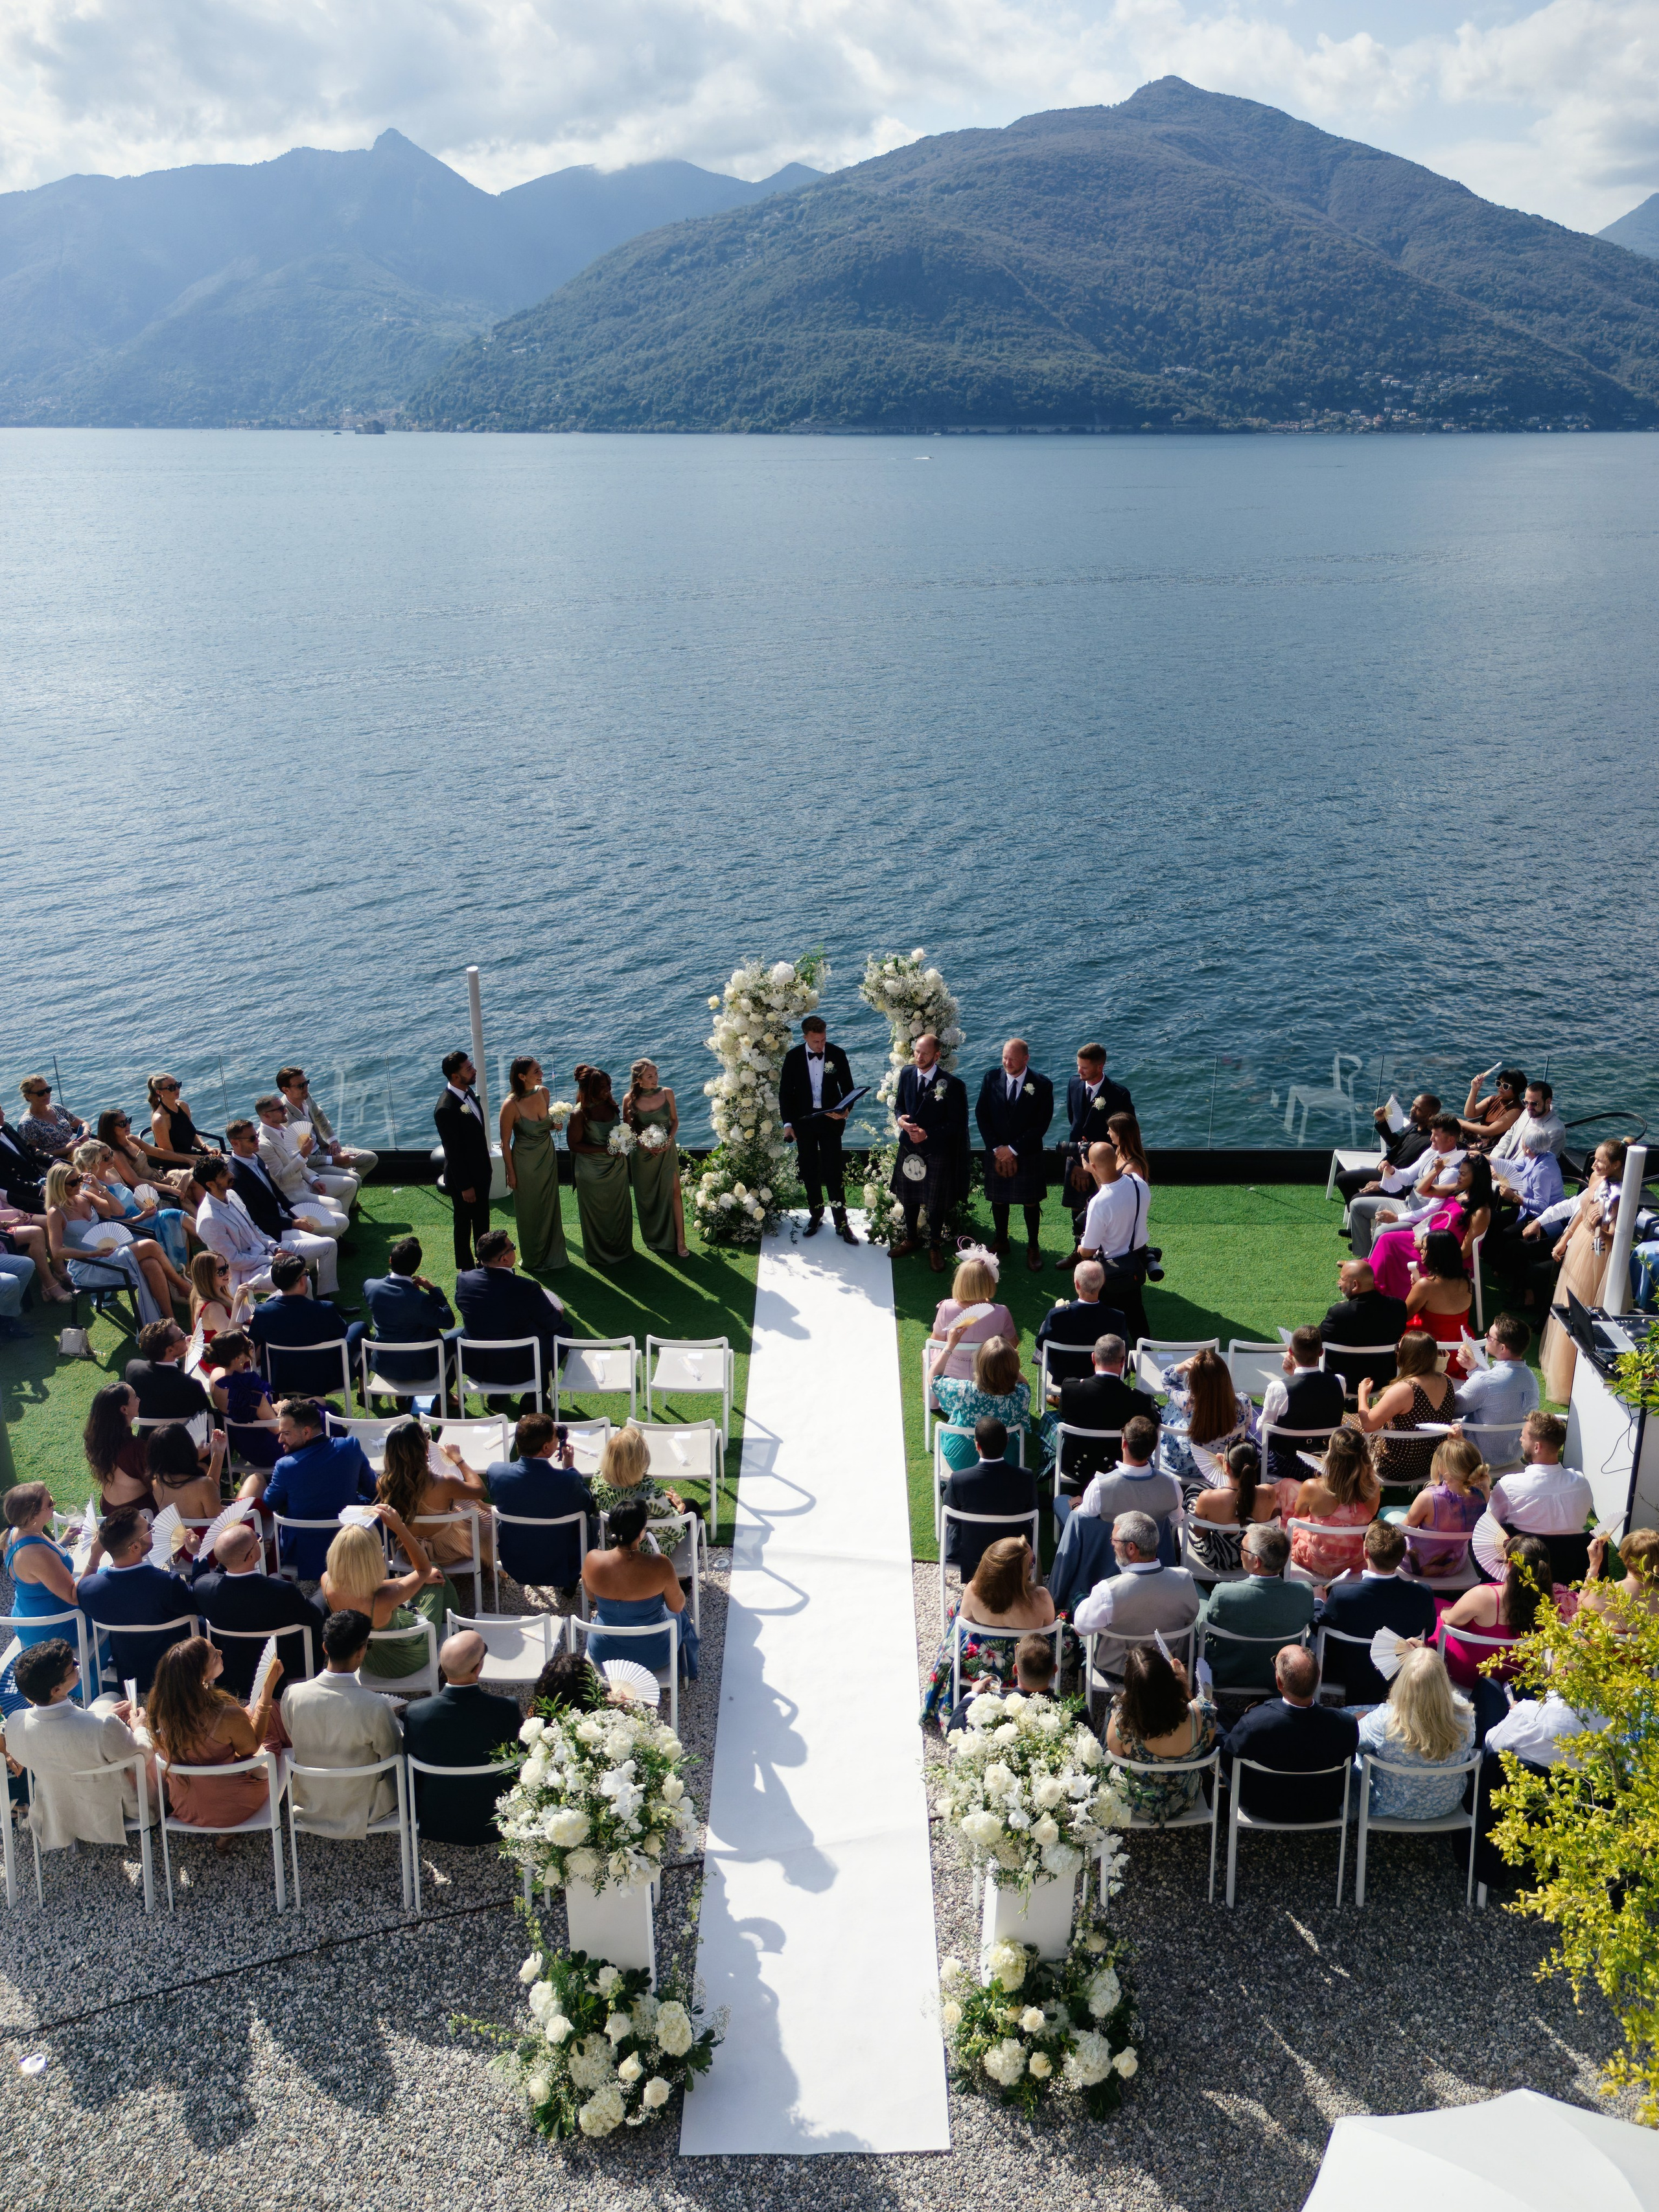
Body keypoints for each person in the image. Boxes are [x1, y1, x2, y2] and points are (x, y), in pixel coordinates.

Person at [2, 1639, 154, 1847]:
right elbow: (143, 1755)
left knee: (107, 1699)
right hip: (117, 1809)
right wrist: (139, 1727)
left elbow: (63, 1738)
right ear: (56, 1689)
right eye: (73, 1667)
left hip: (59, 1812)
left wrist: (97, 1719)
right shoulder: (104, 1726)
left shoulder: (15, 1723)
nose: (77, 1663)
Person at [143, 1630, 281, 1837]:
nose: (220, 1651)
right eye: (214, 1655)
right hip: (231, 1806)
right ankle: (229, 1831)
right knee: (272, 1737)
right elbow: (250, 1748)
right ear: (202, 1672)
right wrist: (267, 1692)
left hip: (186, 1804)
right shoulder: (224, 1714)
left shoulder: (161, 1710)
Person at [280, 1609, 403, 1838]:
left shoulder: (293, 1695)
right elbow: (391, 1755)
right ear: (362, 1650)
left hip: (309, 1800)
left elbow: (293, 1734)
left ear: (325, 1648)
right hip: (365, 1808)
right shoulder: (375, 1705)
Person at [402, 1631, 522, 1845]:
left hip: (438, 1820)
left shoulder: (416, 1713)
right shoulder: (506, 1709)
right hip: (497, 1820)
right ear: (478, 1668)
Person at [922, 1535, 1056, 1725]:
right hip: (1025, 1666)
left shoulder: (974, 1590)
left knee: (956, 1615)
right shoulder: (1041, 1598)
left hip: (978, 1663)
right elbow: (1048, 1626)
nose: (1033, 1566)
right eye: (1031, 1563)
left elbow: (964, 1620)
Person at [1221, 1644, 1359, 1825]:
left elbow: (1227, 1757)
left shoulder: (1254, 1725)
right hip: (1323, 1806)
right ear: (1318, 1679)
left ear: (1279, 1682)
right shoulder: (1345, 1725)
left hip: (1262, 1805)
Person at [1537, 1140, 1628, 1403]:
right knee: (1566, 1303)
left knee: (1584, 1307)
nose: (1594, 1164)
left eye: (1600, 1160)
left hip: (1597, 1254)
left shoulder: (1621, 1195)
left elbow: (1615, 1237)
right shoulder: (1596, 1179)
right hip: (1579, 1246)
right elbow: (1581, 1210)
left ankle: (1575, 1375)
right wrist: (1565, 1239)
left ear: (1616, 1165)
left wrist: (1599, 1226)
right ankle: (1560, 1369)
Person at [246, 1398, 377, 1580]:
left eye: (285, 1433)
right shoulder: (351, 1446)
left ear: (306, 1432)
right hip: (352, 1542)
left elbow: (270, 1502)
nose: (280, 1439)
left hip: (303, 1552)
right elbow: (372, 1489)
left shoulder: (285, 1466)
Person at [192, 1519, 328, 1694]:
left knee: (276, 1575)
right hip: (280, 1670)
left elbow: (201, 1579)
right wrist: (325, 1585)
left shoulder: (204, 1589)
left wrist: (200, 1554)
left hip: (233, 1671)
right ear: (251, 1555)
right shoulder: (282, 1592)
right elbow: (315, 1615)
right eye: (258, 1540)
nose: (260, 1541)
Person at [1312, 1520, 1439, 1706]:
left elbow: (1316, 1625)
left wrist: (1318, 1601)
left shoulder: (1342, 1596)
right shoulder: (1422, 1594)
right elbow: (1430, 1627)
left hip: (1345, 1671)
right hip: (1398, 1672)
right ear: (1402, 1555)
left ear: (1365, 1553)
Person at [320, 1515, 457, 1685]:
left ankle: (456, 1632)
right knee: (437, 1574)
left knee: (427, 1578)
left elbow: (361, 1584)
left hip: (367, 1659)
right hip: (406, 1659)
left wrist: (416, 1579)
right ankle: (456, 1635)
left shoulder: (327, 1582)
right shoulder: (386, 1598)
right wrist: (400, 1527)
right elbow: (424, 1568)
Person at [45, 1160, 180, 1327]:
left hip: (111, 1254)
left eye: (79, 1179)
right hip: (89, 1265)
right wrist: (92, 1254)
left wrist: (101, 1187)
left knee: (151, 1264)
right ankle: (182, 1286)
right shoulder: (55, 1213)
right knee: (149, 1246)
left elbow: (118, 1211)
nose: (79, 1184)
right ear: (59, 1186)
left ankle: (170, 1320)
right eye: (73, 1182)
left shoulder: (85, 1196)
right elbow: (57, 1252)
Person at [76, 1508, 195, 1693]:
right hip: (177, 1669)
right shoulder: (167, 1584)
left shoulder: (88, 1590)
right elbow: (198, 1605)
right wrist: (197, 1555)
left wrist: (94, 1556)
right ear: (135, 1547)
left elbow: (81, 1589)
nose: (153, 1530)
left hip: (130, 1672)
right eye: (149, 1529)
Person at [1071, 1510, 1200, 1677]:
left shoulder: (1107, 1591)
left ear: (1131, 1548)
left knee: (1078, 1598)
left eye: (1114, 1540)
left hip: (1120, 1670)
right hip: (1168, 1665)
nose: (1112, 1544)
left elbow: (1081, 1628)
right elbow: (1191, 1616)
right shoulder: (1185, 1579)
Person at [455, 1228, 570, 1410]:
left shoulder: (464, 1280)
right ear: (504, 1259)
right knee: (564, 1330)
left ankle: (499, 1393)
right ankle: (534, 1396)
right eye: (512, 1247)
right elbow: (553, 1321)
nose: (514, 1249)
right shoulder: (526, 1288)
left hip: (481, 1367)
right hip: (521, 1370)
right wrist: (558, 1310)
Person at [1355, 1647, 1476, 1818]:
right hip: (1445, 1803)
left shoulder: (1384, 1720)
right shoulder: (1465, 1714)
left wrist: (1359, 1718)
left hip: (1389, 1804)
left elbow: (1355, 1740)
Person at [224, 1119, 342, 1293]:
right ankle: (325, 1297)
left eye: (256, 1135)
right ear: (235, 1143)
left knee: (337, 1224)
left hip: (285, 1218)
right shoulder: (236, 1176)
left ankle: (312, 1268)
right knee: (329, 1244)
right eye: (252, 1139)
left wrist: (295, 1214)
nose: (257, 1140)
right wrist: (294, 1223)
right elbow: (258, 1218)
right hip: (275, 1231)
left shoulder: (255, 1158)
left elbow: (276, 1191)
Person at [1104, 1646, 1220, 1822]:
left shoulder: (1123, 1722)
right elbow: (1205, 1742)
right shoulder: (1204, 1715)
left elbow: (1116, 1753)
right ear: (1170, 1681)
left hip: (1138, 1801)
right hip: (1184, 1799)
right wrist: (1183, 1685)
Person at [583, 1501, 697, 1677]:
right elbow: (677, 1606)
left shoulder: (592, 1559)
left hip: (604, 1654)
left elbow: (591, 1597)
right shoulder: (660, 1564)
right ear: (641, 1532)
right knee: (679, 1615)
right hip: (654, 1655)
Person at [1438, 1532, 1563, 1690]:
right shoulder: (1547, 1602)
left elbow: (1449, 1620)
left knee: (1437, 1609)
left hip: (1468, 1674)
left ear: (1510, 1564)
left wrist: (1444, 1611)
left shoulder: (1482, 1596)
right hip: (1518, 1675)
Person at [487, 1412, 596, 1591]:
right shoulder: (568, 1481)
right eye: (555, 1438)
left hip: (516, 1562)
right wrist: (570, 1468)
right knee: (592, 1522)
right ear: (546, 1448)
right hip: (565, 1565)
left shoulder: (496, 1472)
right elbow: (588, 1505)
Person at [1198, 1524, 1315, 1690]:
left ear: (1256, 1561)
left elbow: (1206, 1625)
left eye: (1242, 1549)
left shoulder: (1224, 1593)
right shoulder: (1304, 1593)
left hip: (1228, 1673)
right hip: (1278, 1673)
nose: (1240, 1552)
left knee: (1198, 1600)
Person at [890, 1033, 970, 1271]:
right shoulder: (906, 1073)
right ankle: (912, 1238)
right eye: (916, 1051)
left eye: (925, 1053)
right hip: (908, 1146)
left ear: (937, 1055)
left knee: (935, 1204)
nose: (919, 1056)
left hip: (935, 1150)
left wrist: (928, 1134)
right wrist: (901, 1122)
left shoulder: (951, 1085)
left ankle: (935, 1246)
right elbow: (899, 1106)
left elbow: (957, 1123)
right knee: (910, 1197)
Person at [973, 1038, 1054, 1271]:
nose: (1007, 1063)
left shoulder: (1042, 1085)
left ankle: (1033, 1246)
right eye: (1004, 1057)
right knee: (999, 1198)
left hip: (1027, 1153)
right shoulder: (991, 1078)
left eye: (1012, 1059)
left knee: (1031, 1201)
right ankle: (1001, 1240)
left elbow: (1041, 1125)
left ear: (1026, 1059)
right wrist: (998, 1148)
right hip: (997, 1151)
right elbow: (982, 1115)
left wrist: (1014, 1149)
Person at [377, 1416, 494, 1576]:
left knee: (465, 1502)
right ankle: (482, 1563)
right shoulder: (443, 1483)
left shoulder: (383, 1484)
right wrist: (458, 1459)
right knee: (485, 1516)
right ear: (424, 1448)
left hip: (410, 1551)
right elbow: (480, 1490)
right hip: (448, 1550)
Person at [352, 1236, 458, 1410]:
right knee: (456, 1336)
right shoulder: (421, 1300)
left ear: (390, 1260)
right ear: (417, 1267)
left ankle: (404, 1398)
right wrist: (433, 1290)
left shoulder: (370, 1286)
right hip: (421, 1369)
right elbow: (448, 1320)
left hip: (385, 1366)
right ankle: (442, 1396)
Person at [778, 1017, 857, 1246]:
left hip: (831, 1121)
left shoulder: (837, 1054)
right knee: (809, 1170)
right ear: (805, 1038)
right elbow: (785, 1094)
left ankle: (841, 1223)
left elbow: (849, 1089)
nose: (821, 1045)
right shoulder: (793, 1058)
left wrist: (845, 1111)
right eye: (816, 1042)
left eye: (823, 1040)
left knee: (834, 1172)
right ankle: (816, 1215)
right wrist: (788, 1124)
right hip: (804, 1123)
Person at [1066, 1140, 1149, 1344]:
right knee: (1136, 1313)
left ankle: (1112, 1359)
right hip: (1135, 1261)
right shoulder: (1139, 1183)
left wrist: (1080, 1247)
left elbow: (1088, 1250)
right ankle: (1145, 1357)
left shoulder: (1099, 1203)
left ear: (1092, 1167)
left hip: (1111, 1271)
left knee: (1109, 1320)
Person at [940, 1414, 1039, 1580]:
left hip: (971, 1556)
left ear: (977, 1445)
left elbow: (951, 1516)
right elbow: (1032, 1511)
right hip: (1014, 1554)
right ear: (1007, 1441)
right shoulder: (1026, 1478)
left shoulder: (959, 1480)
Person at [1354, 1330, 1456, 1489]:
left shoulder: (1405, 1389)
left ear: (1407, 1355)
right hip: (1432, 1463)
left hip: (1396, 1466)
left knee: (1347, 1422)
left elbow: (1368, 1424)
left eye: (1399, 1349)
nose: (1397, 1353)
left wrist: (1362, 1394)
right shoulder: (1447, 1380)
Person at [248, 1252, 352, 1401]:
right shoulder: (325, 1309)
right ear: (302, 1281)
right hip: (325, 1379)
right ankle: (364, 1391)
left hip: (281, 1379)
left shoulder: (263, 1312)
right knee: (359, 1329)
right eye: (306, 1273)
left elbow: (252, 1342)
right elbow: (342, 1332)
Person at [74, 1139, 190, 1274]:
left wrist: (145, 1208)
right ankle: (184, 1270)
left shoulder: (113, 1172)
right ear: (94, 1163)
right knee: (175, 1216)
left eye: (111, 1153)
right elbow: (109, 1224)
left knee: (179, 1217)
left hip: (143, 1217)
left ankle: (187, 1269)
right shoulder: (92, 1190)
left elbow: (131, 1195)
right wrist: (140, 1217)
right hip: (131, 1229)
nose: (112, 1158)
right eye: (106, 1158)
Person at [4, 1483, 95, 1650]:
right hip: (54, 1629)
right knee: (113, 1591)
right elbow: (73, 1596)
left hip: (29, 1620)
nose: (54, 1505)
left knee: (110, 1576)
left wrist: (64, 1541)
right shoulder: (36, 1553)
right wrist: (96, 1555)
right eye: (50, 1503)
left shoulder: (19, 1532)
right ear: (33, 1515)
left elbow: (40, 1570)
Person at [499, 1055, 569, 1272]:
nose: (541, 1073)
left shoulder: (544, 1092)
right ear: (521, 1077)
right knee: (531, 1210)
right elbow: (504, 1143)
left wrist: (553, 1126)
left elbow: (542, 1127)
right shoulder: (511, 1105)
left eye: (540, 1069)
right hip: (525, 1163)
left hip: (547, 1158)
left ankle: (554, 1256)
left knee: (550, 1205)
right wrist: (511, 1173)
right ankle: (535, 1258)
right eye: (536, 1072)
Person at [1335, 1090, 1441, 1230]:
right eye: (1413, 1106)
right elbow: (1397, 1145)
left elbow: (1414, 1177)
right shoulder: (1414, 1127)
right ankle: (1357, 1225)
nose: (1412, 1110)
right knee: (1343, 1178)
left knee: (1358, 1198)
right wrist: (1382, 1122)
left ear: (1430, 1115)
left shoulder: (1430, 1141)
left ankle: (1362, 1227)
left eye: (1418, 1109)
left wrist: (1382, 1184)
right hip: (1388, 1171)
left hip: (1399, 1185)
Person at [1061, 1044, 1134, 1240]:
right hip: (1076, 1157)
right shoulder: (1073, 1083)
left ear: (1100, 1067)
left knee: (1102, 1208)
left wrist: (1094, 1167)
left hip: (1104, 1164)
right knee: (1077, 1208)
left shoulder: (1119, 1095)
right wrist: (1078, 1164)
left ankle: (1102, 1250)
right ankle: (1078, 1250)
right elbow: (1074, 1122)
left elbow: (1124, 1135)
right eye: (1078, 1066)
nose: (1079, 1071)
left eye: (1084, 1067)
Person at [1289, 1426, 1380, 1583]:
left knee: (1288, 1503)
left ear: (1331, 1457)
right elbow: (1371, 1515)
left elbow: (1299, 1514)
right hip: (1353, 1560)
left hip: (1315, 1558)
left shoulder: (1312, 1486)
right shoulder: (1373, 1490)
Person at [566, 1064, 635, 1269]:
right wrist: (603, 1150)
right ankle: (600, 1255)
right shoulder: (579, 1114)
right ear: (589, 1089)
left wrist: (624, 1142)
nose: (608, 1090)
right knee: (599, 1215)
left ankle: (622, 1249)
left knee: (619, 1211)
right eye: (603, 1087)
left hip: (617, 1168)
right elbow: (574, 1145)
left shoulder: (611, 1105)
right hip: (592, 1172)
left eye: (609, 1086)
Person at [254, 1094, 351, 1237]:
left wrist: (313, 1179)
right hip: (292, 1196)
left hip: (304, 1184)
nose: (285, 1110)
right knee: (337, 1209)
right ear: (266, 1115)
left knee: (347, 1187)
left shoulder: (282, 1129)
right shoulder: (263, 1144)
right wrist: (303, 1155)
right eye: (280, 1109)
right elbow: (281, 1178)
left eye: (284, 1107)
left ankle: (335, 1236)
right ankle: (331, 1239)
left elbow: (297, 1163)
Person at [1260, 1327, 1345, 1486]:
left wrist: (1293, 1376)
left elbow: (1262, 1428)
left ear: (1291, 1352)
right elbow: (1314, 1398)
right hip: (1324, 1463)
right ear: (1321, 1352)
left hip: (1287, 1465)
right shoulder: (1339, 1382)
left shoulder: (1278, 1388)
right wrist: (1294, 1375)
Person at [621, 1057, 690, 1258]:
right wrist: (643, 1145)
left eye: (656, 1074)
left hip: (667, 1152)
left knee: (674, 1192)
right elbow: (629, 1130)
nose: (655, 1079)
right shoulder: (629, 1099)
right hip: (642, 1157)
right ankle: (655, 1237)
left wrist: (669, 1140)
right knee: (648, 1197)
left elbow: (675, 1121)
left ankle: (680, 1240)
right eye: (650, 1076)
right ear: (639, 1080)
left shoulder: (667, 1093)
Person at [1487, 1412, 1594, 1539]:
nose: (1520, 1440)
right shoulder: (1581, 1483)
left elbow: (1490, 1524)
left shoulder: (1508, 1486)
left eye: (1524, 1437)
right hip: (1574, 1557)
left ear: (1537, 1447)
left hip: (1523, 1557)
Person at [193, 1155, 286, 1299]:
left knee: (323, 1248)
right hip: (245, 1275)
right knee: (296, 1277)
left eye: (228, 1170)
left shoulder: (232, 1194)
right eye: (224, 1175)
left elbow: (255, 1229)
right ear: (210, 1184)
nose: (231, 1175)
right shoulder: (209, 1219)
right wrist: (272, 1260)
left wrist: (275, 1248)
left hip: (267, 1254)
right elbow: (234, 1261)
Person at [1078, 1415, 1180, 1545]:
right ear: (1153, 1447)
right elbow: (1176, 1520)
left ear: (1124, 1443)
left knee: (1061, 1502)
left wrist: (1076, 1506)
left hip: (1108, 1555)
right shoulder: (1171, 1485)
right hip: (1153, 1554)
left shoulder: (1099, 1486)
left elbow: (1083, 1520)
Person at [1162, 1345, 1253, 1490]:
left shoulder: (1185, 1401)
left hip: (1182, 1466)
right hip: (1223, 1465)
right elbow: (1246, 1428)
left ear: (1194, 1382)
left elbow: (1166, 1381)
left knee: (1168, 1411)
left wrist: (1180, 1367)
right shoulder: (1244, 1402)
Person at [434, 1050, 493, 1271]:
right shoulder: (446, 1109)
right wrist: (466, 1186)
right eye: (468, 1068)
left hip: (481, 1172)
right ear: (455, 1076)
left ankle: (485, 1261)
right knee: (464, 1222)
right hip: (464, 1179)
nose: (474, 1069)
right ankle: (466, 1267)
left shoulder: (468, 1094)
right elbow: (454, 1152)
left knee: (482, 1220)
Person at [933, 1340, 1030, 1473]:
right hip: (1006, 1459)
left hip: (963, 1459)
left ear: (980, 1365)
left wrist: (950, 1345)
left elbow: (933, 1377)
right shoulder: (1022, 1395)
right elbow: (1024, 1384)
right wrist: (1010, 1364)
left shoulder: (964, 1391)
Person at [1451, 1314, 1538, 1464]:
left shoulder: (1485, 1381)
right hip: (1513, 1455)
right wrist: (1474, 1369)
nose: (1485, 1336)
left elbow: (1453, 1408)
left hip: (1476, 1457)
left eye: (1489, 1336)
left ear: (1503, 1348)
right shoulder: (1531, 1378)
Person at [1186, 1440, 1280, 1578]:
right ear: (1255, 1465)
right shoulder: (1268, 1493)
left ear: (1227, 1466)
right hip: (1251, 1557)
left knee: (1193, 1492)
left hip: (1216, 1558)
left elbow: (1200, 1533)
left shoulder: (1208, 1498)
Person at [1402, 1434, 1491, 1578]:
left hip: (1419, 1564)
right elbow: (1467, 1461)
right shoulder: (1484, 1494)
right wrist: (1459, 1442)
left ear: (1448, 1475)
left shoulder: (1428, 1498)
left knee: (1388, 1514)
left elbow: (1403, 1530)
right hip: (1454, 1564)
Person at [929, 1250, 1020, 1391]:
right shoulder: (1002, 1312)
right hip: (988, 1377)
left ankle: (933, 1400)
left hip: (950, 1380)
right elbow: (1012, 1344)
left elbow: (936, 1342)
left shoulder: (946, 1307)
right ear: (990, 1281)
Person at [1034, 1261, 1126, 1394]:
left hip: (1063, 1378)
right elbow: (1123, 1351)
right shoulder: (1117, 1318)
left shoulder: (1057, 1315)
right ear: (1103, 1282)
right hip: (1101, 1378)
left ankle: (1056, 1397)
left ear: (1077, 1284)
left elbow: (1040, 1343)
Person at [1319, 1260, 1408, 1397]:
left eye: (1342, 1279)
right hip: (1382, 1381)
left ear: (1355, 1285)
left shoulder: (1339, 1313)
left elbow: (1317, 1339)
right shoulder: (1398, 1307)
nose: (1339, 1283)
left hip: (1341, 1382)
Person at [275, 1065, 378, 1181]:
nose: (306, 1088)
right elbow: (302, 1158)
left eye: (307, 1082)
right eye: (301, 1085)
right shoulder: (286, 1119)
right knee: (354, 1179)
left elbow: (319, 1116)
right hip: (311, 1163)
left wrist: (333, 1141)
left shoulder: (305, 1096)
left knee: (370, 1159)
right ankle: (346, 1188)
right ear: (286, 1090)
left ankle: (345, 1190)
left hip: (322, 1150)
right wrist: (334, 1160)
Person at [945, 1630, 1058, 1736]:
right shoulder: (1067, 1710)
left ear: (1014, 1670)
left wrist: (973, 1695)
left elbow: (954, 1727)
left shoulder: (994, 1709)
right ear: (1055, 1670)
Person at [1399, 1226, 1476, 1377]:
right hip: (1460, 1351)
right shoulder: (1467, 1281)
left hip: (1429, 1352)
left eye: (1425, 1248)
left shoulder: (1425, 1286)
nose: (1421, 1250)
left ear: (1435, 1254)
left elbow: (1404, 1316)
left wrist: (1418, 1288)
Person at [588, 1422, 691, 1532]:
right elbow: (676, 1528)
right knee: (691, 1506)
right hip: (648, 1546)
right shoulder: (651, 1495)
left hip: (610, 1542)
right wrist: (680, 1508)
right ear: (640, 1462)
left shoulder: (598, 1478)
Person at [205, 1331, 281, 1469]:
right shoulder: (253, 1392)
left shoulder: (215, 1378)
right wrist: (282, 1409)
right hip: (269, 1450)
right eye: (247, 1344)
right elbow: (277, 1429)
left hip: (244, 1447)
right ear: (238, 1358)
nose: (251, 1345)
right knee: (320, 1416)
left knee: (317, 1404)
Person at [82, 1381, 154, 1510]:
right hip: (137, 1515)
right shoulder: (136, 1449)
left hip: (108, 1510)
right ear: (124, 1409)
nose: (139, 1399)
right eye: (135, 1397)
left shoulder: (98, 1441)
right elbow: (160, 1485)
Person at [125, 1319, 215, 1423]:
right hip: (184, 1437)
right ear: (170, 1350)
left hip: (147, 1436)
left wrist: (178, 1353)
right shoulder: (191, 1385)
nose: (187, 1337)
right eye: (182, 1336)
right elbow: (210, 1418)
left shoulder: (132, 1368)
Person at [146, 1419, 227, 1523]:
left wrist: (218, 1452)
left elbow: (207, 1491)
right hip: (205, 1537)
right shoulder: (204, 1485)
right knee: (254, 1483)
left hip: (175, 1535)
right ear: (187, 1449)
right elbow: (218, 1518)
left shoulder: (157, 1481)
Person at [187, 1249, 253, 1370]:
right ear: (207, 1276)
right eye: (221, 1271)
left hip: (218, 1355)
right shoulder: (213, 1308)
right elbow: (232, 1340)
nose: (227, 1272)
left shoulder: (209, 1293)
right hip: (221, 1363)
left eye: (226, 1267)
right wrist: (238, 1303)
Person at [1579, 1527, 1659, 1627]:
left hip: (1610, 1643)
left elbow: (1580, 1608)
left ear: (1624, 1555)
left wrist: (1594, 1566)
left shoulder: (1606, 1593)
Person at [147, 1074, 216, 1169]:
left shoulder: (183, 1106)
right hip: (175, 1164)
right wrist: (201, 1158)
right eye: (171, 1088)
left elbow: (191, 1134)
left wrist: (207, 1148)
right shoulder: (160, 1119)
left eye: (178, 1085)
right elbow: (170, 1155)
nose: (177, 1089)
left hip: (191, 1156)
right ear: (159, 1092)